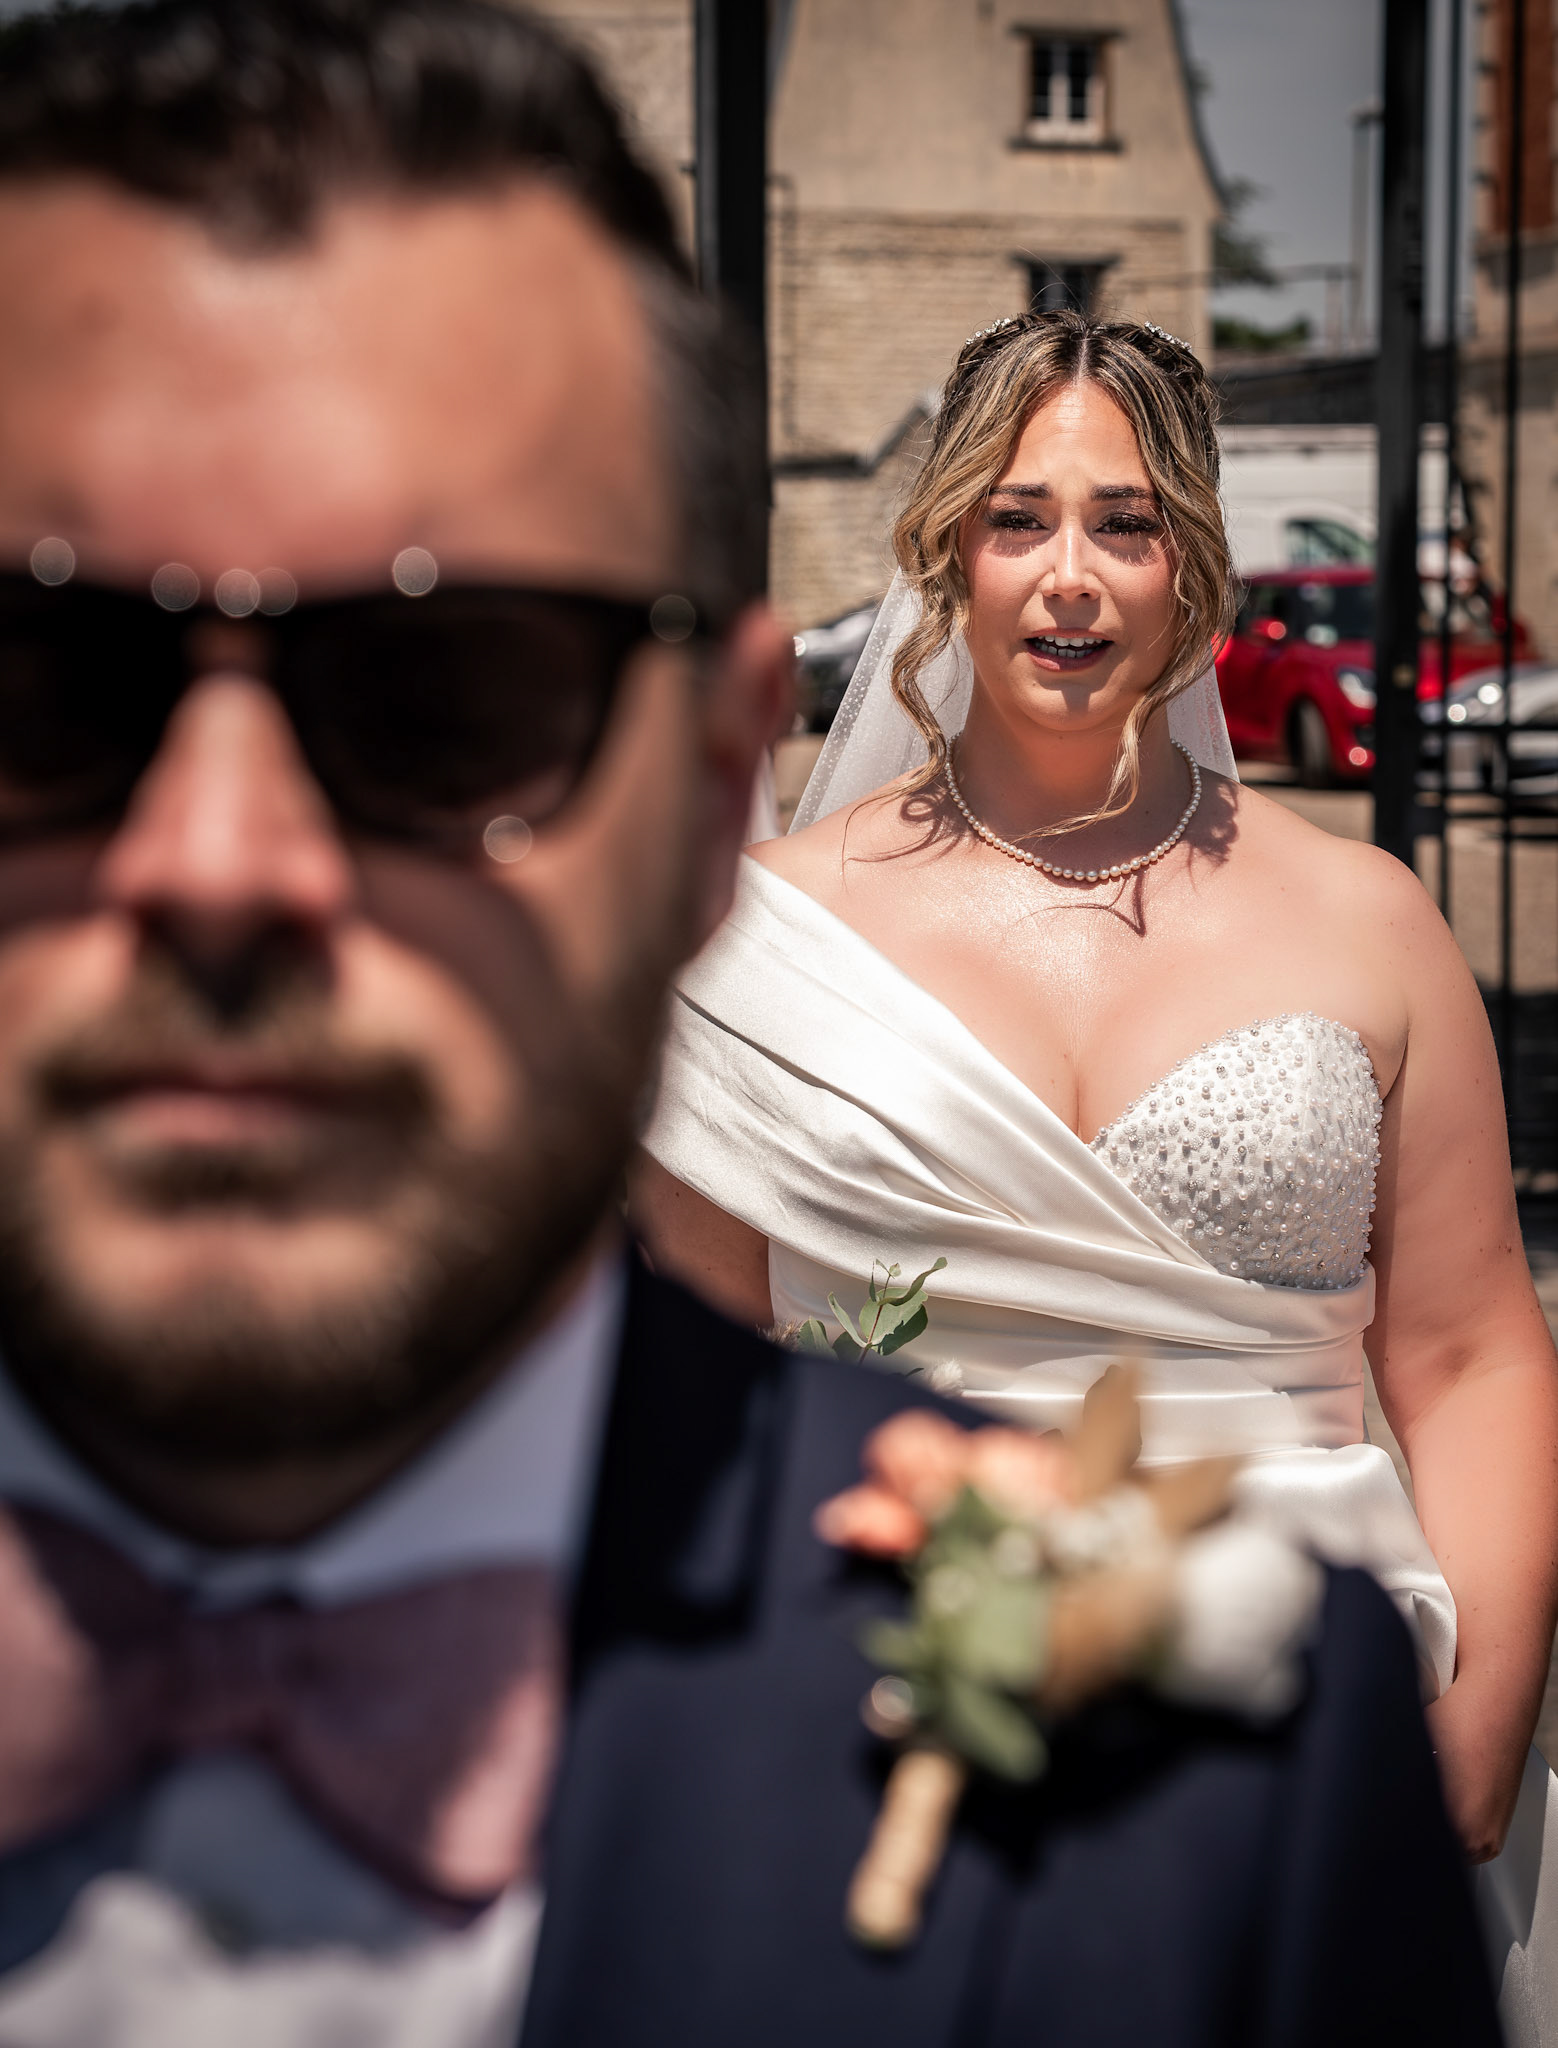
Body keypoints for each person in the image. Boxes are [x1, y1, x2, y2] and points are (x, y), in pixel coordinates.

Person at [0, 4, 1496, 2042]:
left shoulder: (1248, 1816)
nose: (224, 862)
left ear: (711, 792)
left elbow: (1465, 1346)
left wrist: (1459, 1724)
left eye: (451, 698)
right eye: (44, 685)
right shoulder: (804, 932)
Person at [636, 308, 1558, 2037]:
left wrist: (1482, 1722)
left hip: (1314, 1698)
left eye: (1123, 524)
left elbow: (1469, 1353)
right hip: (881, 1693)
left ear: (1186, 563)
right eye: (1018, 519)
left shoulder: (1366, 920)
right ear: (946, 553)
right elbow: (689, 1374)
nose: (1069, 576)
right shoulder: (763, 939)